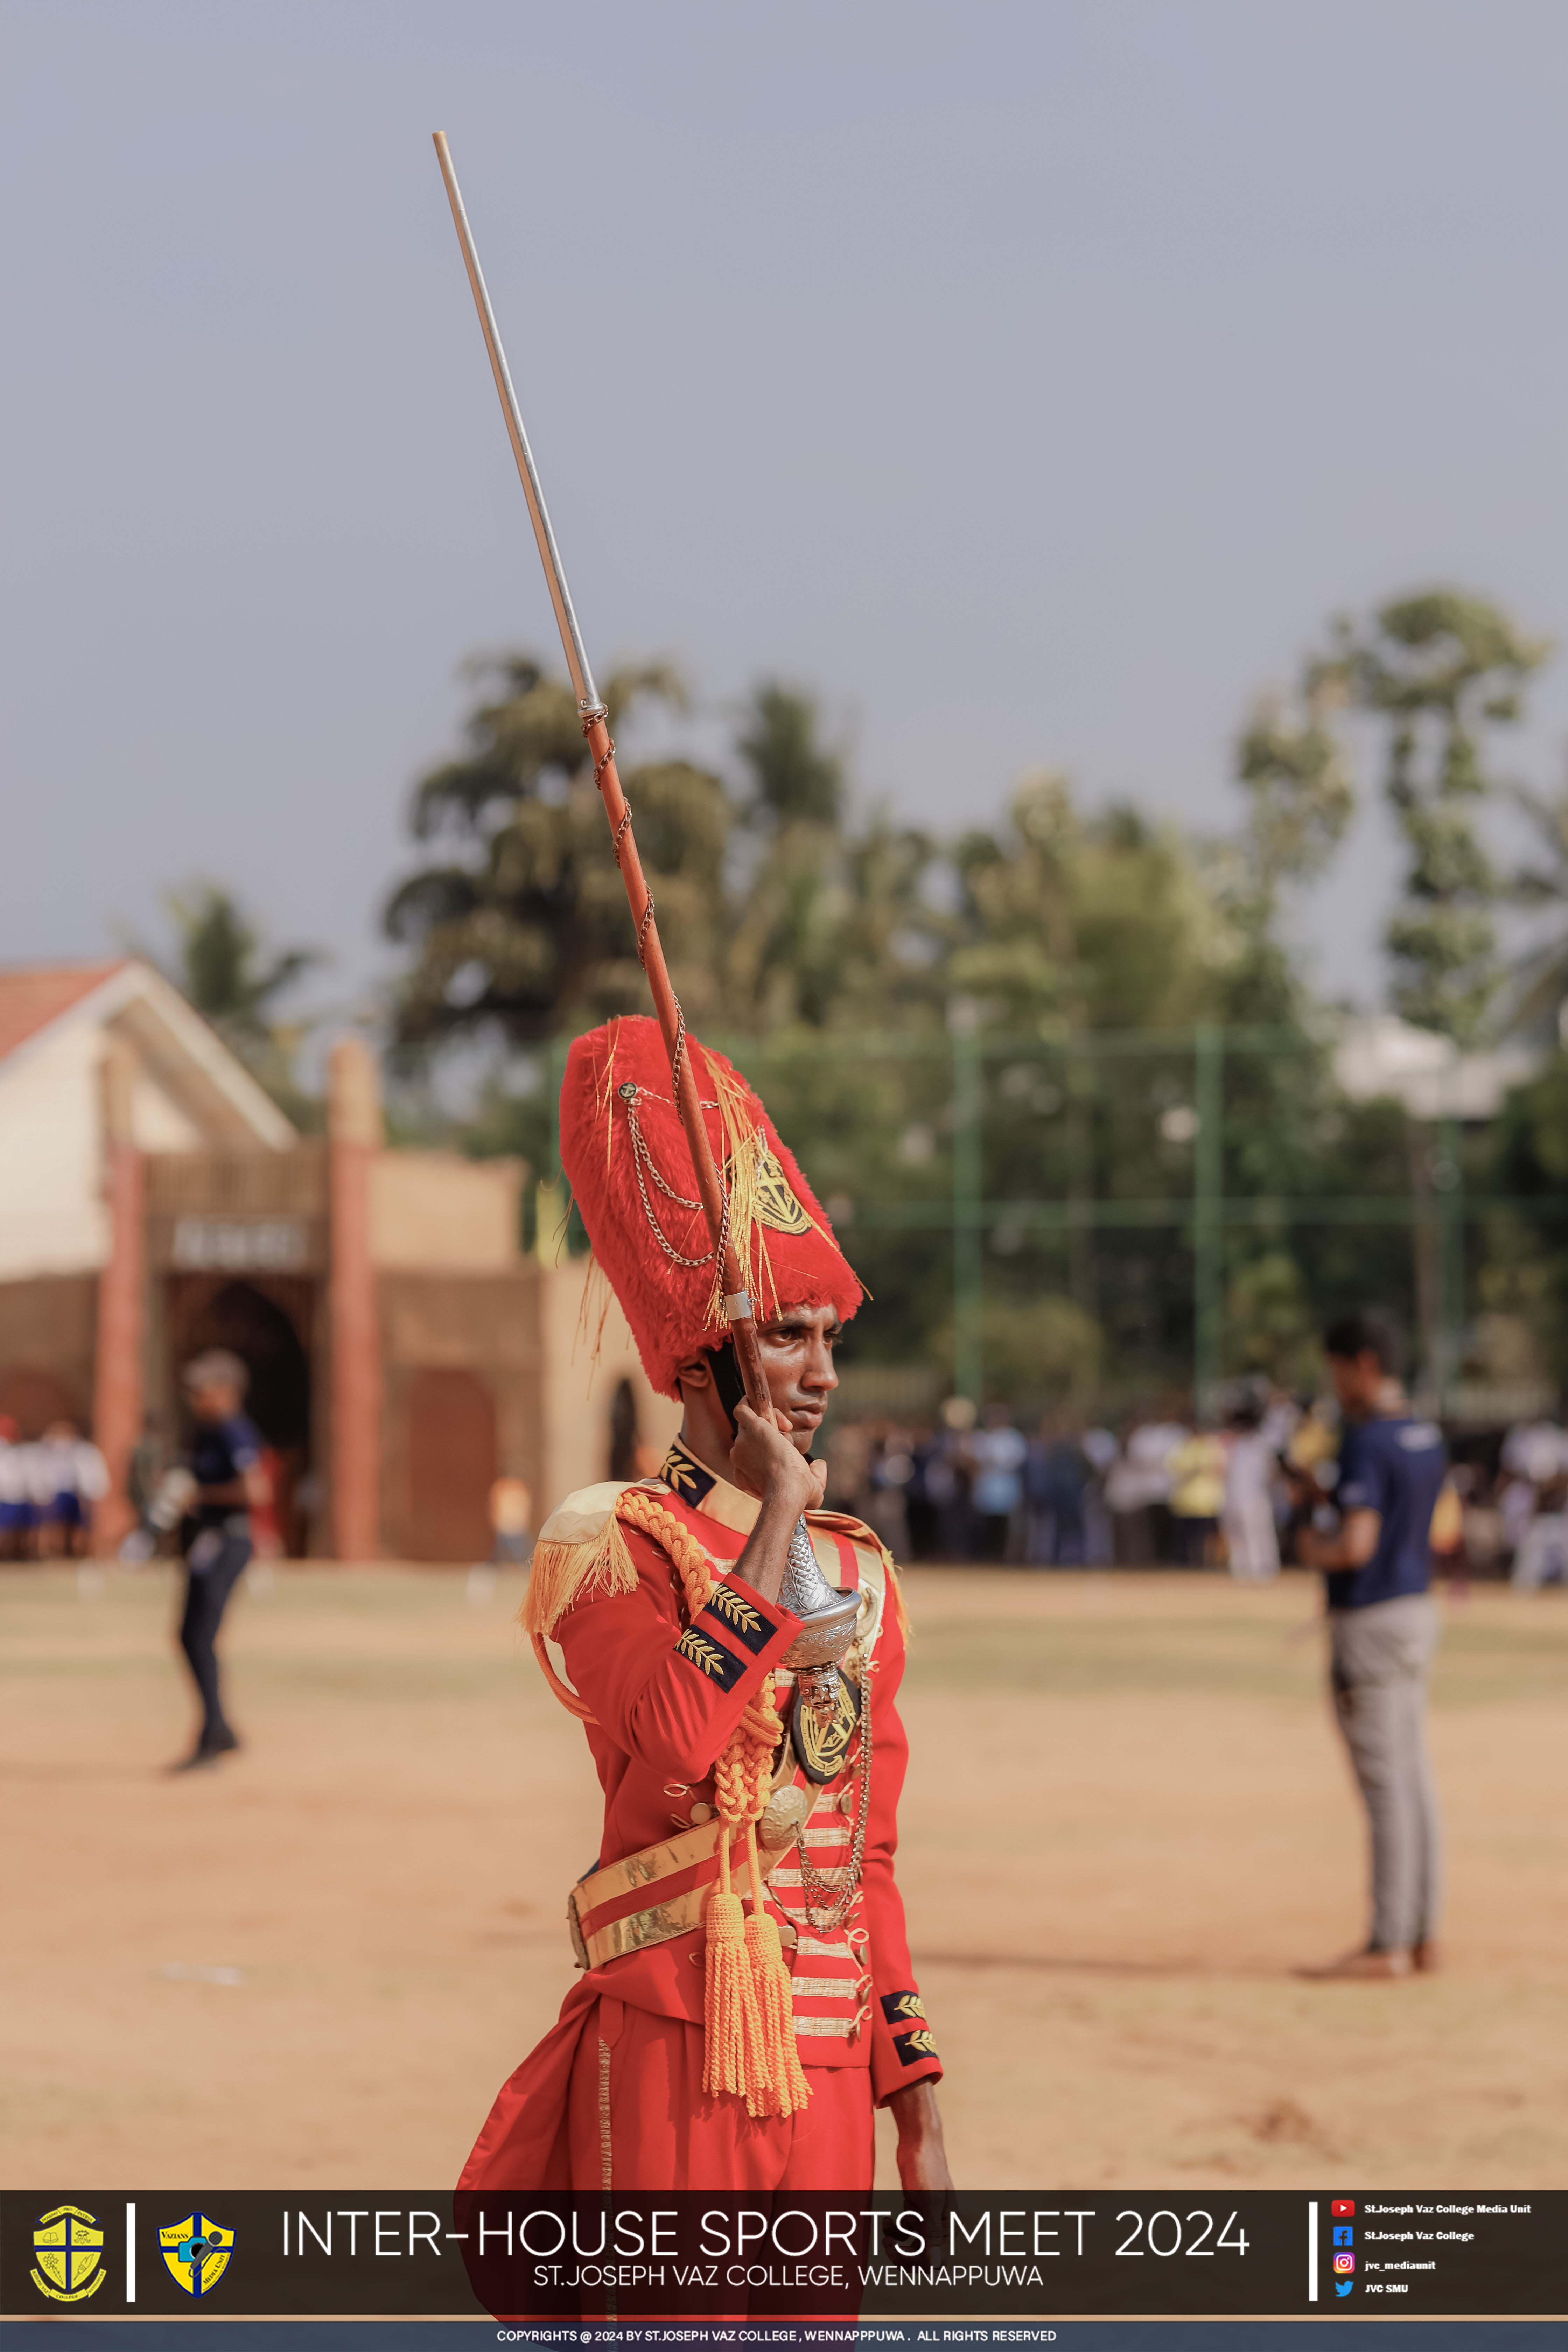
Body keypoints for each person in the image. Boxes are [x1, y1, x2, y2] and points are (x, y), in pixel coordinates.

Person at [460, 1016, 949, 2208]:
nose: (824, 1374)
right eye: (786, 1336)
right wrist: (776, 1518)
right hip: (684, 2034)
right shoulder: (616, 1542)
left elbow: (864, 1856)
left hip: (832, 2057)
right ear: (699, 1364)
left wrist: (917, 2107)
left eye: (831, 1339)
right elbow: (678, 1737)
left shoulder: (859, 1574)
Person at [1296, 1309, 1447, 1980]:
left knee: (1386, 1789)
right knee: (1415, 1783)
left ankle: (1386, 1943)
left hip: (1371, 1623)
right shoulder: (1426, 1435)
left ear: (1362, 1364)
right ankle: (1422, 1934)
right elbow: (1440, 1533)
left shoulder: (1366, 1441)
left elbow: (1354, 1545)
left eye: (1336, 1368)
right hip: (1417, 1610)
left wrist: (1311, 1542)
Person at [169, 1349, 268, 1773]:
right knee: (190, 1637)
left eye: (201, 1390)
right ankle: (218, 1727)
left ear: (227, 1393)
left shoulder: (234, 1431)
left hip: (227, 1543)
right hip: (206, 1543)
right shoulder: (207, 1433)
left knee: (200, 1637)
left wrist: (199, 1497)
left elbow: (256, 1491)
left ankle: (214, 1733)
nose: (193, 1398)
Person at [33, 1419, 109, 1559]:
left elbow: (95, 1476)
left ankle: (80, 1555)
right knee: (56, 1526)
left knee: (81, 1528)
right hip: (58, 1494)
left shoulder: (85, 1451)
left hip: (81, 1494)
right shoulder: (48, 1451)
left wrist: (93, 1492)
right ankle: (56, 1555)